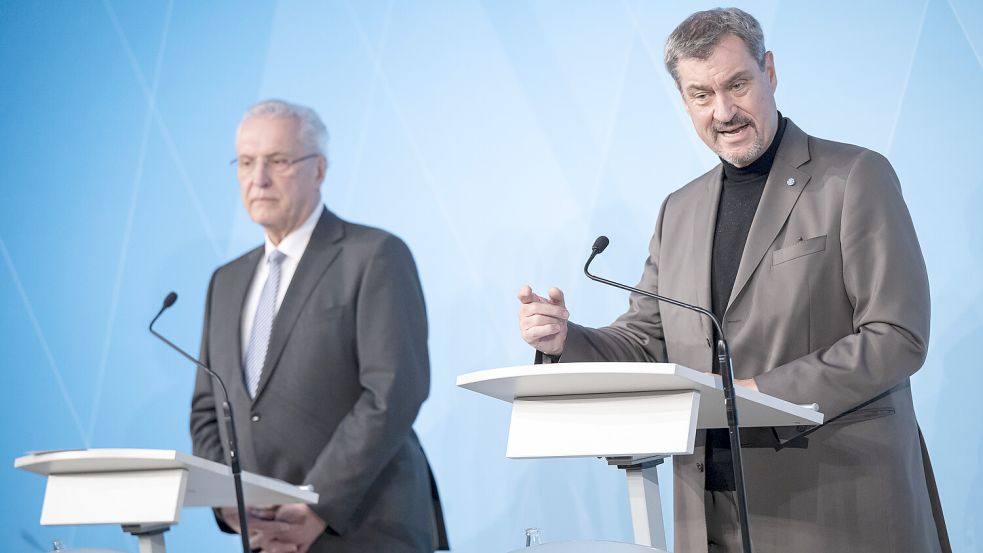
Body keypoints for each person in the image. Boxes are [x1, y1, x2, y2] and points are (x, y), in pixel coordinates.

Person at [517, 8, 949, 553]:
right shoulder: (680, 209)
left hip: (835, 502)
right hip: (709, 508)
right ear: (684, 100)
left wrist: (762, 394)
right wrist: (565, 340)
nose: (723, 111)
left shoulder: (854, 176)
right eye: (701, 95)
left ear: (769, 72)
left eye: (737, 84)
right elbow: (646, 340)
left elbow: (896, 335)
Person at [191, 99, 448, 553]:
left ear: (320, 170)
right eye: (247, 162)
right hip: (266, 539)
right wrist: (230, 504)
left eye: (279, 160)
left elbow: (392, 393)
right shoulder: (225, 282)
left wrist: (317, 505)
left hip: (365, 529)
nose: (259, 178)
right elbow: (209, 410)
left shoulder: (374, 256)